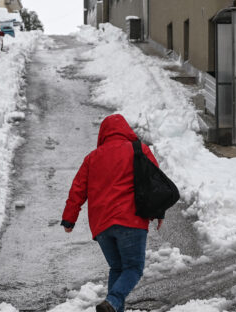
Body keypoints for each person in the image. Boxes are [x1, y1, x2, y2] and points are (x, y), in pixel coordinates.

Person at [61, 114, 163, 312]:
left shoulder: (92, 158)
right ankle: (113, 302)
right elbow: (155, 182)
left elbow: (77, 189)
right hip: (131, 221)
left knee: (117, 268)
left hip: (102, 226)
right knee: (133, 268)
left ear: (103, 134)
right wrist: (159, 211)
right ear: (126, 130)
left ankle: (113, 307)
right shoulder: (138, 149)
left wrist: (69, 219)